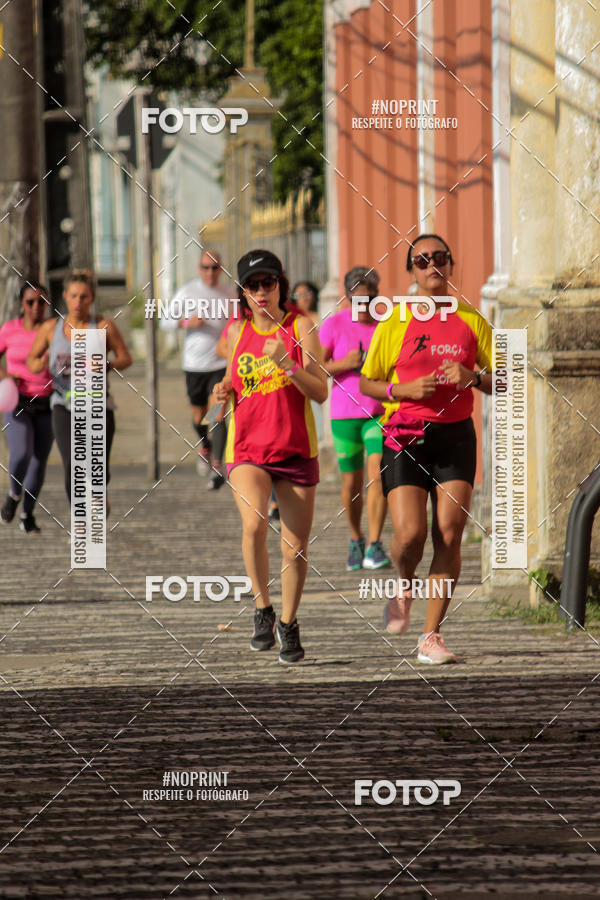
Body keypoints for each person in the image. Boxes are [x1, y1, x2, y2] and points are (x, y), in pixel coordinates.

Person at [360, 234, 493, 664]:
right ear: (412, 272)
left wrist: (472, 376)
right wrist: (403, 388)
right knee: (410, 535)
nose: (432, 265)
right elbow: (367, 381)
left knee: (449, 534)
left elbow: (505, 379)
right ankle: (403, 580)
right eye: (422, 260)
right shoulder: (395, 320)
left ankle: (430, 636)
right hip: (403, 436)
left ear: (451, 265)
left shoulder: (473, 319)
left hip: (455, 436)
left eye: (440, 258)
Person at [213, 249, 327, 664]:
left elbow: (321, 392)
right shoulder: (236, 332)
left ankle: (289, 623)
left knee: (294, 548)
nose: (261, 291)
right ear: (242, 292)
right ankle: (262, 609)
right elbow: (230, 380)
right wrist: (221, 391)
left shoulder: (302, 328)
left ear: (281, 284)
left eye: (269, 283)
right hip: (246, 449)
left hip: (296, 450)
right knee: (255, 522)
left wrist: (287, 364)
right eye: (252, 285)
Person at [27, 269, 132, 506]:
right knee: (71, 465)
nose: (78, 302)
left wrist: (108, 364)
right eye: (73, 296)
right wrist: (40, 364)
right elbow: (31, 360)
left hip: (98, 404)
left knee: (98, 468)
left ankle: (98, 498)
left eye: (83, 297)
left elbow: (126, 358)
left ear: (92, 298)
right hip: (64, 404)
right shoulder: (50, 328)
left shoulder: (104, 326)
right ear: (65, 295)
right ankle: (80, 521)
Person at [320, 266, 391, 571]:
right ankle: (355, 538)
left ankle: (375, 545)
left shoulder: (385, 325)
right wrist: (343, 363)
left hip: (379, 413)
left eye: (370, 300)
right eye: (357, 301)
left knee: (378, 474)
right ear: (347, 298)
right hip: (344, 415)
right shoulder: (334, 325)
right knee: (351, 483)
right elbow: (316, 369)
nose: (364, 308)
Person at [160, 249, 231, 490]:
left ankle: (218, 464)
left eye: (215, 268)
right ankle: (205, 445)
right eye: (206, 267)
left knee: (218, 410)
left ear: (221, 269)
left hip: (220, 363)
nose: (210, 272)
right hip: (194, 364)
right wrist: (187, 322)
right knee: (199, 415)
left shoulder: (229, 293)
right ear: (199, 269)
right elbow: (165, 321)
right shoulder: (188, 291)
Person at [0, 281, 54, 533]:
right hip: (18, 401)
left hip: (47, 402)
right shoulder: (9, 330)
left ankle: (27, 515)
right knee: (21, 453)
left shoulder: (54, 330)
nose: (36, 307)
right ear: (21, 304)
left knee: (39, 462)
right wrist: (5, 376)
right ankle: (13, 494)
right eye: (30, 301)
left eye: (41, 302)